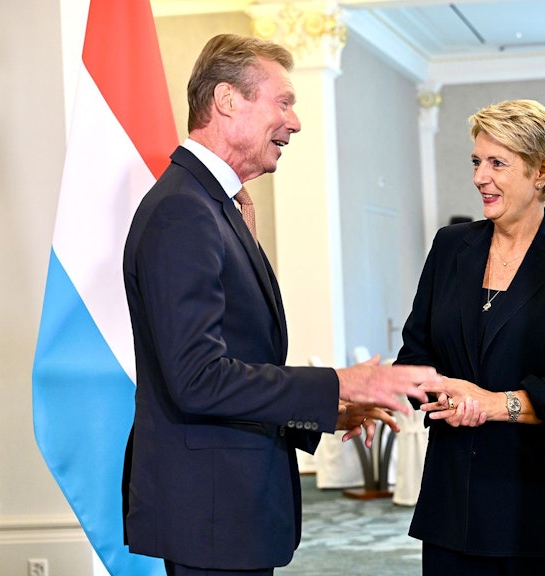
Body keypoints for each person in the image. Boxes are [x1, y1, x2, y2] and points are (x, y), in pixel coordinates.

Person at [121, 34, 437, 575]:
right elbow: (197, 378)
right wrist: (340, 382)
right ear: (226, 100)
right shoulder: (184, 211)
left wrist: (324, 412)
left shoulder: (212, 205)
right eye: (283, 102)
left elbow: (240, 363)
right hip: (212, 511)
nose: (295, 122)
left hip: (226, 508)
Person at [396, 99, 545, 575]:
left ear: (542, 171)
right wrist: (444, 393)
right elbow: (415, 352)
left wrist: (492, 403)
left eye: (497, 163)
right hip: (452, 509)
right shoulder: (450, 246)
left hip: (541, 513)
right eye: (476, 162)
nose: (479, 177)